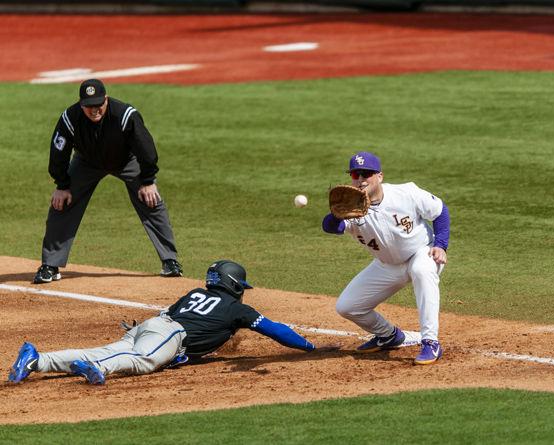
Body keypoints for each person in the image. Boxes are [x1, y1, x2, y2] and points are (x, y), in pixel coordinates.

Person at [9, 260, 315, 385]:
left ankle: (38, 360)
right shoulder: (237, 310)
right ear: (234, 284)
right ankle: (100, 370)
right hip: (169, 335)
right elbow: (276, 330)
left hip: (151, 326)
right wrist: (310, 346)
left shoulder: (195, 293)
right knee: (143, 360)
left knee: (100, 350)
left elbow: (170, 314)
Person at [34, 78, 182, 284]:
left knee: (151, 199)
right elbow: (58, 152)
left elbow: (146, 149)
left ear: (106, 99)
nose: (94, 110)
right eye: (88, 106)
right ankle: (50, 265)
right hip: (86, 162)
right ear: (80, 103)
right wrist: (62, 185)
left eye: (98, 105)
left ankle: (170, 261)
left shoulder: (125, 115)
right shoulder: (70, 117)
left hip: (125, 160)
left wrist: (148, 181)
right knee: (61, 203)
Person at [322, 152, 450, 365]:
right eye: (356, 174)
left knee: (421, 270)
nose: (361, 179)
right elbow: (330, 228)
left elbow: (440, 212)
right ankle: (390, 336)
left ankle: (430, 341)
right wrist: (336, 215)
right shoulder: (352, 209)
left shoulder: (406, 192)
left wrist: (440, 245)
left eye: (367, 174)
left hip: (422, 253)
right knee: (347, 306)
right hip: (387, 265)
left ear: (379, 176)